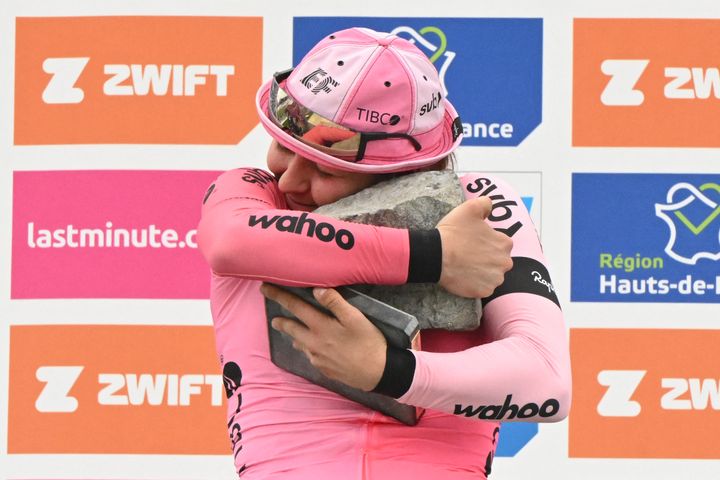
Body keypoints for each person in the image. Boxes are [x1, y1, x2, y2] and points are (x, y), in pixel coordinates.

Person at [197, 27, 571, 480]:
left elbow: (548, 382)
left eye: (325, 167)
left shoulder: (480, 201)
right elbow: (229, 243)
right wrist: (433, 255)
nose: (291, 181)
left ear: (407, 170)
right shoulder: (254, 194)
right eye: (283, 146)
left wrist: (389, 371)